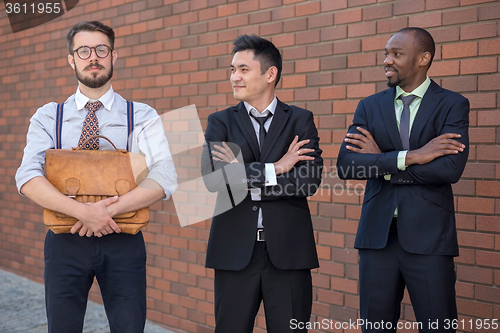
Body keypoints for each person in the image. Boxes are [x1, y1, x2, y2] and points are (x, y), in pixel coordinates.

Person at [15, 21, 176, 333]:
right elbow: (27, 176)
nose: (94, 57)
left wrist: (105, 213)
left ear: (114, 56)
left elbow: (166, 175)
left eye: (102, 49)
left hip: (123, 239)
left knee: (129, 328)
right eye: (84, 50)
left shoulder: (142, 115)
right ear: (71, 59)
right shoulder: (48, 115)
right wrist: (82, 213)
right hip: (64, 240)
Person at [337, 27, 469, 332]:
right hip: (377, 239)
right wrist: (409, 156)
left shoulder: (452, 104)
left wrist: (381, 160)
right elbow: (347, 165)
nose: (387, 60)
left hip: (430, 239)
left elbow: (449, 169)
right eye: (386, 54)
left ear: (424, 58)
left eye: (396, 54)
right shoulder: (369, 106)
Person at [201, 34, 323, 332]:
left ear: (271, 74)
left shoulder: (299, 120)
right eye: (232, 70)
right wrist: (277, 168)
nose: (234, 77)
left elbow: (307, 181)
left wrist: (242, 176)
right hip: (233, 252)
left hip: (289, 253)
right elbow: (215, 180)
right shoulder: (221, 122)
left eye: (243, 69)